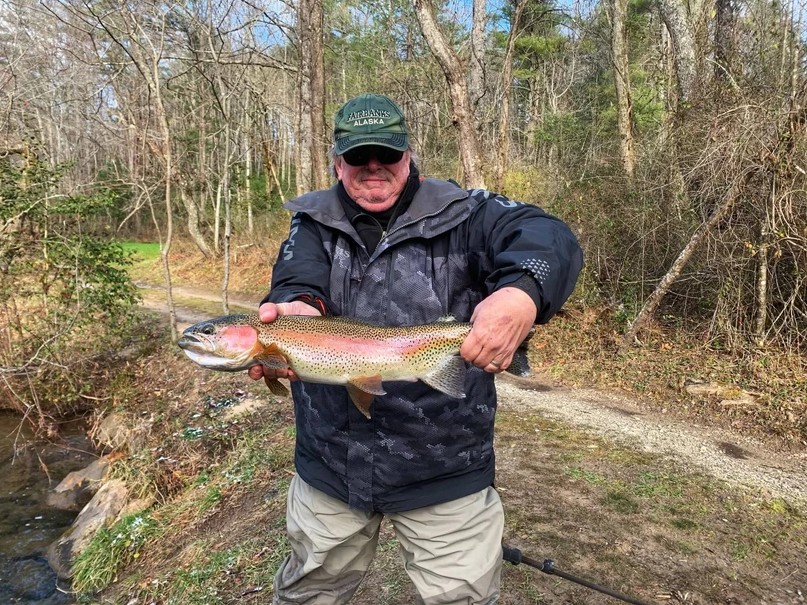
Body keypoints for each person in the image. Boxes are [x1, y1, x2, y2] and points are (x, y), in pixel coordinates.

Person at [249, 93, 583, 605]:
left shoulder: (469, 211)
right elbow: (297, 280)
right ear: (338, 162)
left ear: (409, 153)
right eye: (359, 156)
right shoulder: (310, 222)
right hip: (331, 466)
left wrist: (521, 293)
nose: (374, 167)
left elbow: (549, 236)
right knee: (307, 595)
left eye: (387, 153)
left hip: (446, 467)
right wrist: (296, 307)